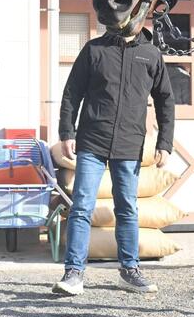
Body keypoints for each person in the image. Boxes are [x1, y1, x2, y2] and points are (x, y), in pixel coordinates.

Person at [52, 25, 174, 296]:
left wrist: (165, 142)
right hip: (92, 141)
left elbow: (165, 99)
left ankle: (130, 271)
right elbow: (72, 93)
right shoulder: (95, 49)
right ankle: (73, 273)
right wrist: (67, 132)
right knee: (82, 206)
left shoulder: (151, 54)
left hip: (130, 144)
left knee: (127, 208)